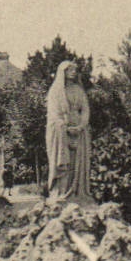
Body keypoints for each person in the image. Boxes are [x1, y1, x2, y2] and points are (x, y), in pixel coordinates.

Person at [45, 61, 93, 205]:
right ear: (63, 72)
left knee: (77, 163)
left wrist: (80, 126)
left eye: (75, 69)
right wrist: (64, 128)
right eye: (69, 69)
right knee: (63, 163)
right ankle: (61, 192)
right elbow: (53, 114)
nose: (73, 72)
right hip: (61, 132)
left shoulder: (79, 90)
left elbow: (85, 110)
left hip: (79, 131)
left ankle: (78, 193)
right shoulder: (55, 91)